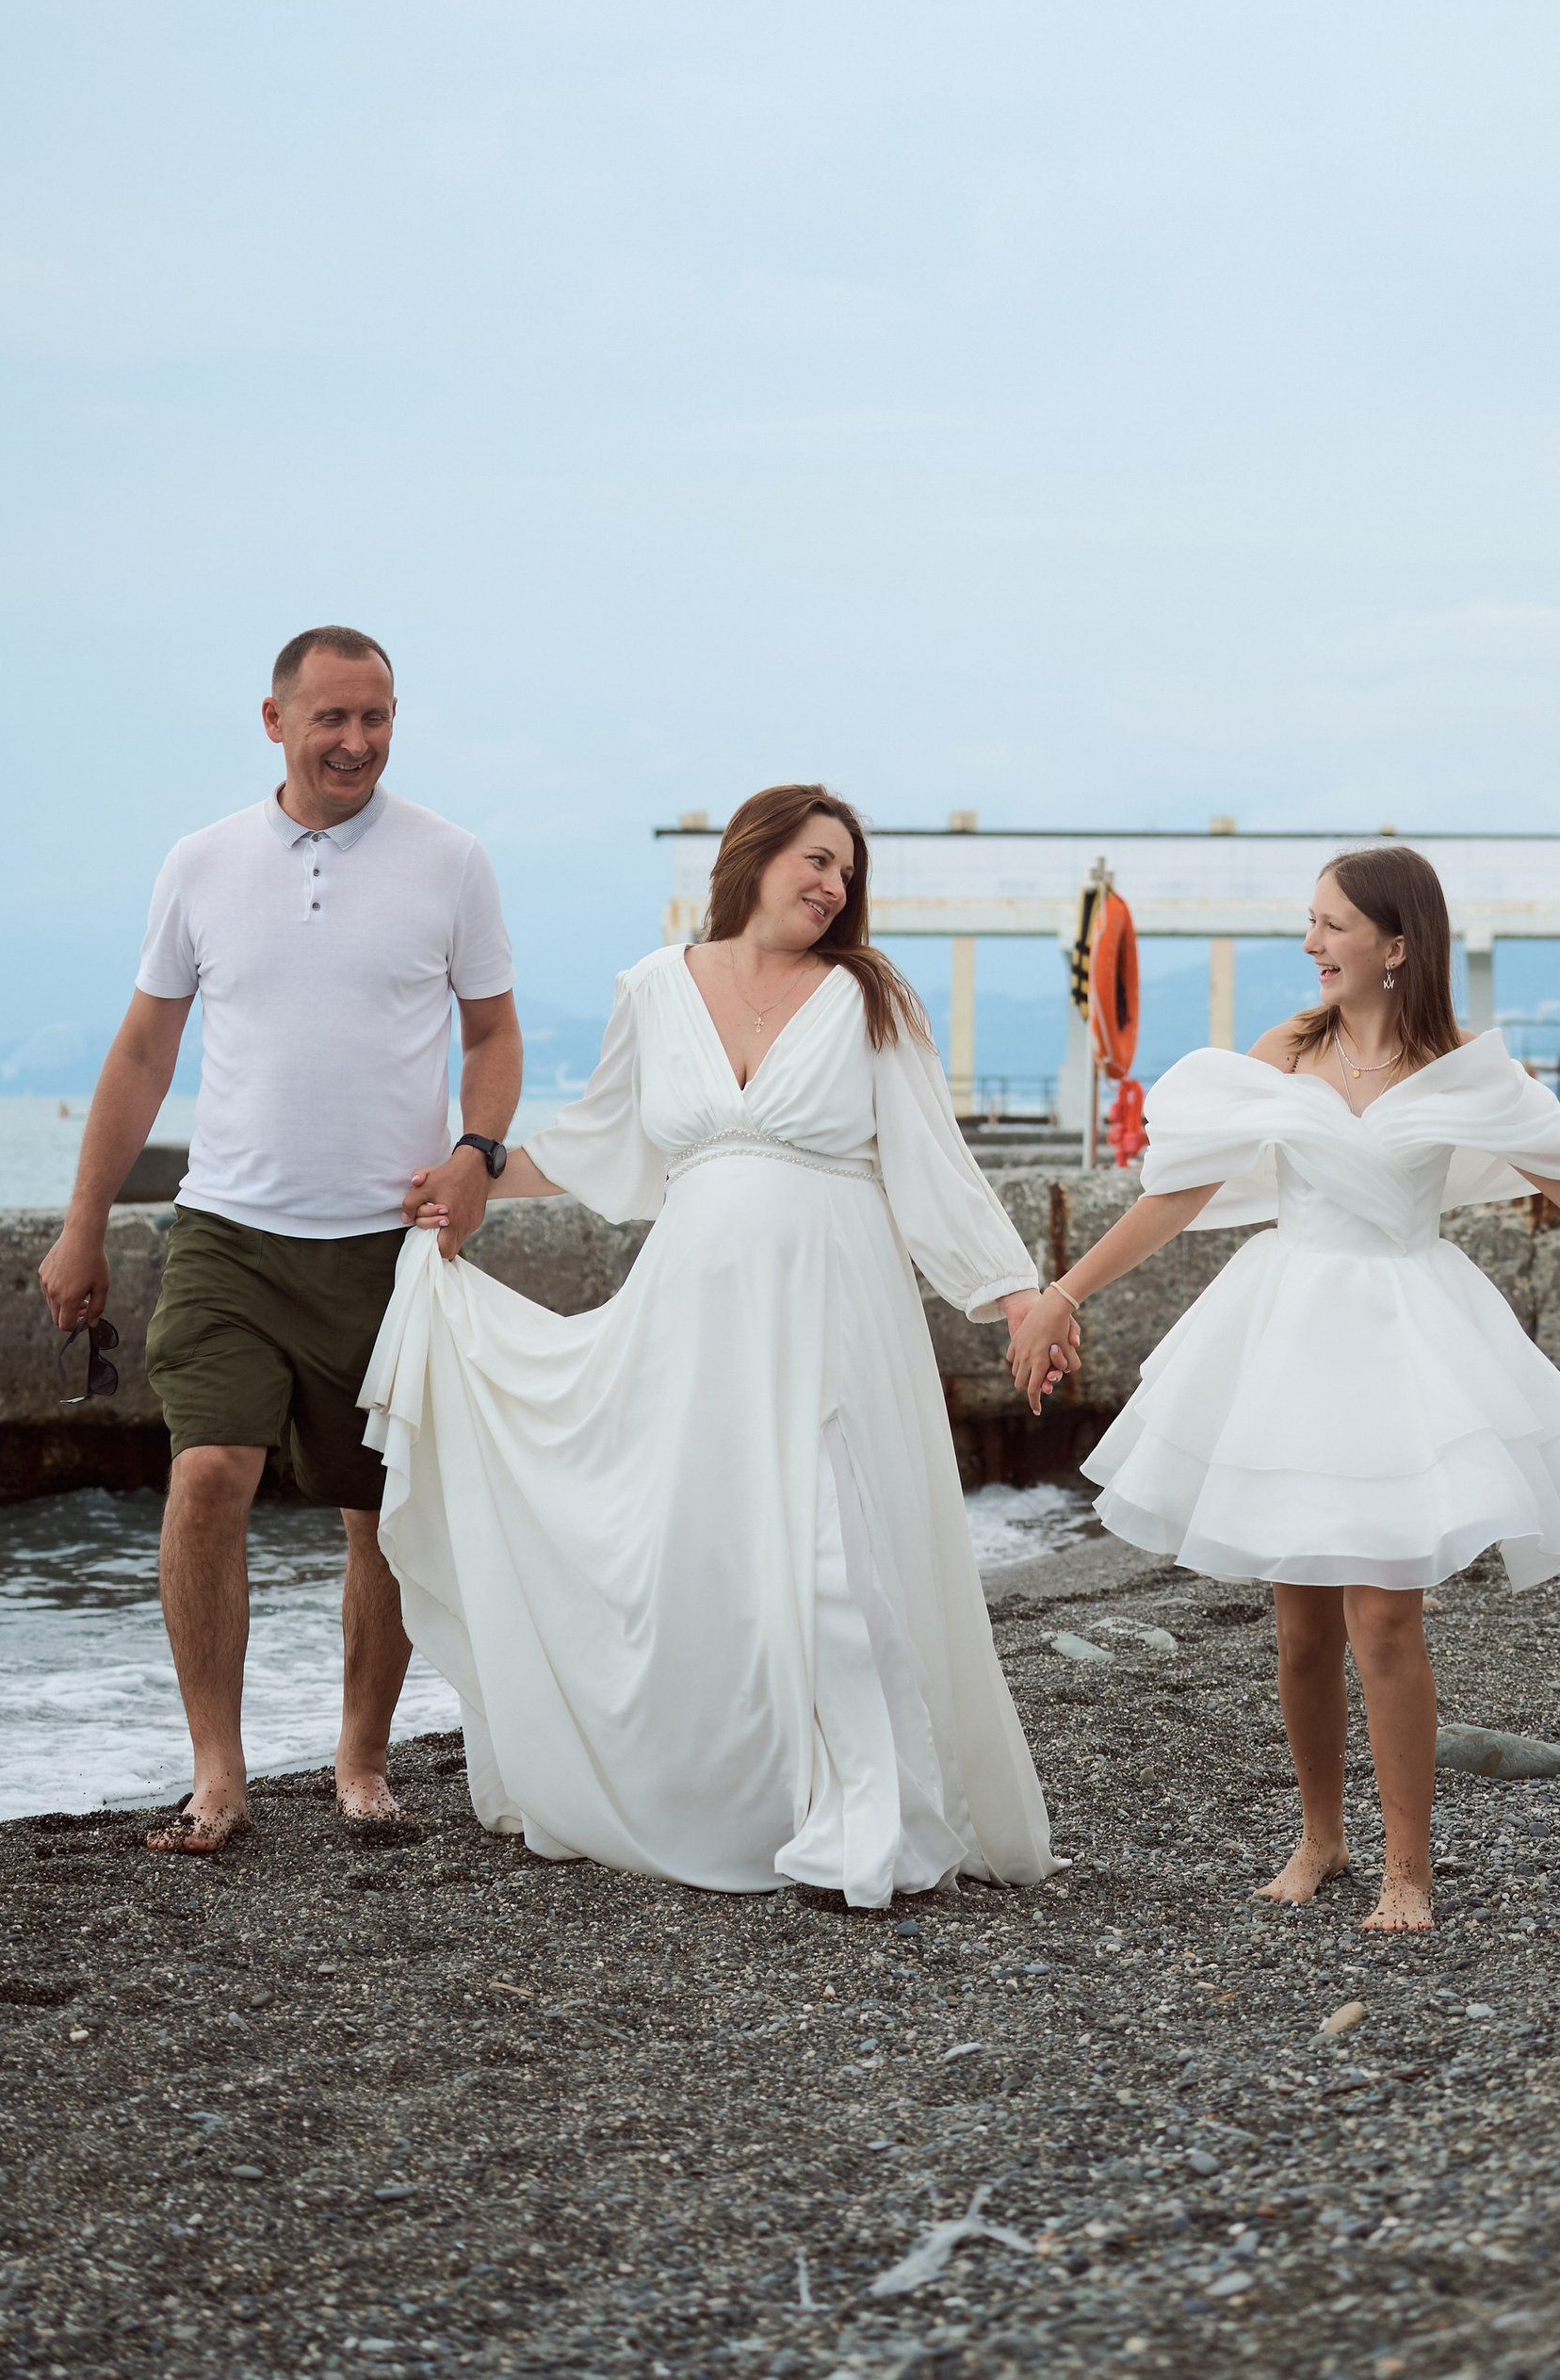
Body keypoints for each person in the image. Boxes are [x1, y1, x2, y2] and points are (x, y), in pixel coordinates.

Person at [1005, 847, 1560, 1933]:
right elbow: (1176, 1192)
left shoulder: (1465, 1066)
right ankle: (1320, 1836)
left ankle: (1407, 1867)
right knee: (1298, 1624)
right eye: (1309, 922)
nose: (1310, 944)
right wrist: (1062, 1290)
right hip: (1283, 1333)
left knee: (1383, 1615)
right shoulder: (1285, 1051)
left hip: (1405, 1335)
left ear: (1395, 944)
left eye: (1331, 925)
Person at [362, 784, 1057, 1903]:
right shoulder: (652, 986)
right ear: (754, 857)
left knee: (835, 1554)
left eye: (845, 870)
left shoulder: (871, 996)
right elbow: (596, 1141)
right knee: (721, 1557)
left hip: (831, 1305)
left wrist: (1014, 1294)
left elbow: (933, 1166)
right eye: (814, 859)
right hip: (689, 1315)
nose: (831, 884)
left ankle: (872, 1824)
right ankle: (757, 1800)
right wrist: (476, 1171)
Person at [38, 629, 520, 1852]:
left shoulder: (451, 861)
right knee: (207, 1473)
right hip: (228, 1231)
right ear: (275, 721)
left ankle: (362, 1762)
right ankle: (220, 1772)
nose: (356, 741)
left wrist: (480, 1151)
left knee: (382, 1514)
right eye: (332, 719)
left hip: (388, 1242)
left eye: (378, 717)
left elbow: (495, 1032)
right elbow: (145, 1048)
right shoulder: (200, 863)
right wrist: (82, 1221)